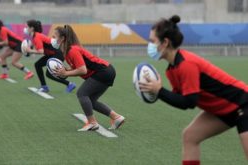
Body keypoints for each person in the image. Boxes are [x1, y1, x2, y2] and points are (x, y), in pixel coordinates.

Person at [139, 15, 248, 165]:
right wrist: (158, 92)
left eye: (152, 41)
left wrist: (160, 92)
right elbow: (179, 99)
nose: (149, 45)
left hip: (243, 104)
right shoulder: (172, 69)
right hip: (225, 110)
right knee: (190, 136)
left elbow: (189, 102)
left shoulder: (186, 64)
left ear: (165, 42)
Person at [53, 25, 125, 131]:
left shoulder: (72, 50)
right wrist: (65, 71)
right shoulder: (68, 51)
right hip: (106, 71)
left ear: (62, 38)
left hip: (103, 71)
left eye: (54, 36)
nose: (52, 39)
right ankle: (116, 117)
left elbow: (82, 70)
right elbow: (79, 67)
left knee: (82, 93)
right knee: (91, 100)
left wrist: (66, 73)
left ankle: (92, 123)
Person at [22, 19, 76, 93]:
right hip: (51, 54)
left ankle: (70, 84)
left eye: (27, 27)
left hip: (57, 54)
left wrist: (29, 50)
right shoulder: (35, 36)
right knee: (37, 65)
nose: (25, 29)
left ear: (32, 28)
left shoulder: (37, 36)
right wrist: (29, 48)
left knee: (49, 74)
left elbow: (41, 51)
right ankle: (44, 87)